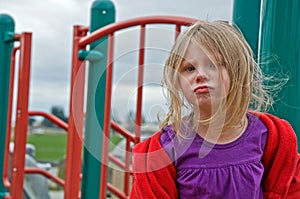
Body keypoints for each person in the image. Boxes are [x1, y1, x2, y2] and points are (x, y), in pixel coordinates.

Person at [129, 21, 300, 199]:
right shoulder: (167, 147)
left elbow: (290, 187)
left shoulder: (269, 138)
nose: (200, 74)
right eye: (189, 68)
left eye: (213, 65)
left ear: (238, 71)